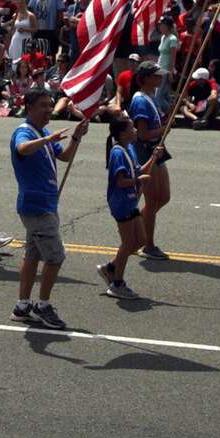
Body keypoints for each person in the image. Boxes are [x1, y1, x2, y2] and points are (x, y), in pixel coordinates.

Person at [9, 87, 86, 330]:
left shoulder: (41, 131)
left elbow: (64, 157)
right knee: (55, 257)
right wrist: (47, 139)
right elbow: (22, 149)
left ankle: (22, 306)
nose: (48, 110)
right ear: (29, 107)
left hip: (46, 203)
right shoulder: (23, 132)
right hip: (37, 206)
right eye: (43, 105)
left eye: (50, 105)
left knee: (33, 255)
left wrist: (76, 136)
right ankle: (43, 305)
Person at [94, 114, 147, 300]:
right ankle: (117, 283)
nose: (135, 130)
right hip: (122, 202)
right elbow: (121, 181)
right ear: (123, 134)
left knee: (140, 240)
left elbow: (139, 171)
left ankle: (110, 268)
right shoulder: (117, 153)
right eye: (132, 127)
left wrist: (154, 158)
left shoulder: (129, 148)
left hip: (131, 200)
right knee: (128, 243)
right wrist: (138, 180)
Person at [126, 62, 174, 260]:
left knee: (163, 197)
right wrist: (164, 129)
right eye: (156, 76)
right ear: (145, 78)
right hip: (146, 151)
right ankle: (148, 244)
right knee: (152, 199)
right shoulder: (140, 101)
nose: (159, 78)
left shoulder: (151, 97)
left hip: (157, 150)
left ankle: (140, 225)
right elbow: (143, 134)